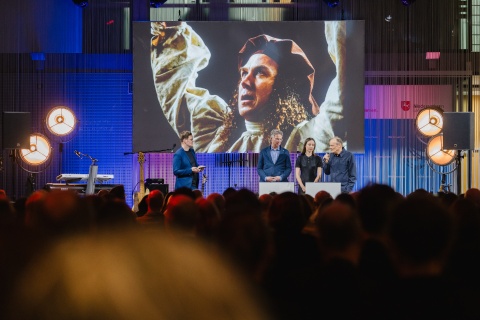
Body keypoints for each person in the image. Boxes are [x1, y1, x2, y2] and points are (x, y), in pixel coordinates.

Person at [150, 21, 346, 152]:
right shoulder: (216, 136)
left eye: (260, 72)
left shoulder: (307, 137)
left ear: (284, 88)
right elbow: (175, 89)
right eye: (244, 73)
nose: (245, 81)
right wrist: (168, 25)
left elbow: (344, 93)